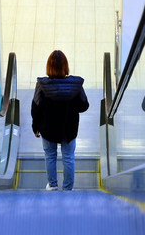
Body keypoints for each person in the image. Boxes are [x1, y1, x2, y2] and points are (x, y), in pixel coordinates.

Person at [31, 50, 89, 191]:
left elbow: (36, 109)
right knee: (68, 158)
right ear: (65, 66)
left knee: (50, 156)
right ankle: (68, 189)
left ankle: (53, 186)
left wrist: (35, 127)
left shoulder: (42, 85)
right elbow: (84, 106)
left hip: (48, 128)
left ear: (49, 67)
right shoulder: (76, 85)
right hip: (69, 129)